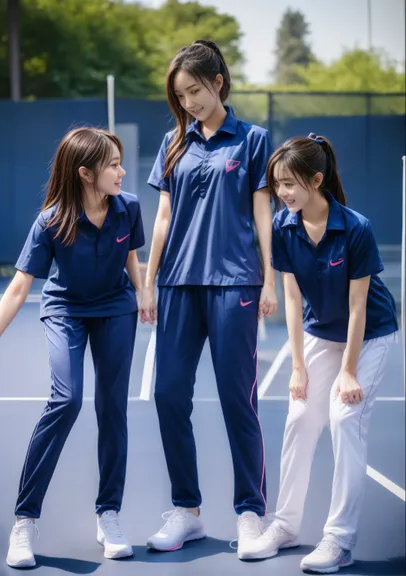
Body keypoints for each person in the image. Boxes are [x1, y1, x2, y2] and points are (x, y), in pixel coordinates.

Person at [0, 127, 145, 567]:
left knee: (112, 407)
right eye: (113, 165)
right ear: (85, 173)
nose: (122, 172)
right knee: (66, 399)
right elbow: (19, 287)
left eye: (120, 162)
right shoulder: (50, 221)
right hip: (65, 310)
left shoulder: (129, 208)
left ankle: (109, 514)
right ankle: (24, 522)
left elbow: (129, 256)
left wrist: (144, 293)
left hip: (116, 309)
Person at [139, 39, 277, 560]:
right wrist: (150, 282)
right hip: (177, 285)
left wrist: (268, 277)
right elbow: (163, 220)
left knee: (237, 399)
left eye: (194, 91)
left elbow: (263, 211)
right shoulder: (174, 142)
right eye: (181, 96)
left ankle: (249, 512)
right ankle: (187, 512)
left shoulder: (254, 140)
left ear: (218, 82)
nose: (189, 102)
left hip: (236, 284)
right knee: (169, 394)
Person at [243, 133, 398, 573]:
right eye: (277, 185)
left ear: (316, 179)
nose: (283, 193)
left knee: (345, 418)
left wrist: (348, 372)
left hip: (368, 334)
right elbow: (292, 300)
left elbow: (358, 306)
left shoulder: (356, 228)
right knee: (299, 416)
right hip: (318, 334)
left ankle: (339, 540)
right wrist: (297, 366)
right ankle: (286, 525)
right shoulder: (282, 225)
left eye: (290, 183)